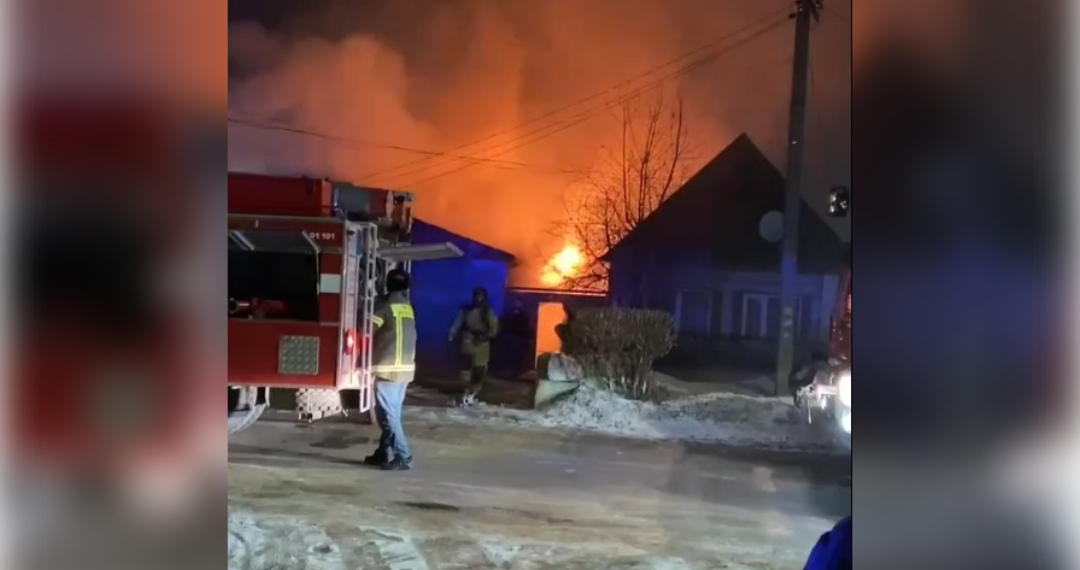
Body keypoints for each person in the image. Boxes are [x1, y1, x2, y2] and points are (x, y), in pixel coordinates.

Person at [362, 268, 417, 471]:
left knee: (389, 415)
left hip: (387, 370)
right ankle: (383, 451)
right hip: (405, 370)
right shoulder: (407, 306)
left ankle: (404, 456)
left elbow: (367, 331)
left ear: (387, 284)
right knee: (389, 413)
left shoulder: (384, 307)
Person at [449, 286, 500, 406]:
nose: (478, 298)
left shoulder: (488, 311)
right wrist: (451, 335)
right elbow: (457, 323)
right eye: (477, 296)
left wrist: (486, 336)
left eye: (481, 296)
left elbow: (494, 328)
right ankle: (466, 391)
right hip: (468, 341)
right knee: (465, 370)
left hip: (482, 344)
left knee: (479, 371)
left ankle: (473, 393)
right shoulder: (467, 311)